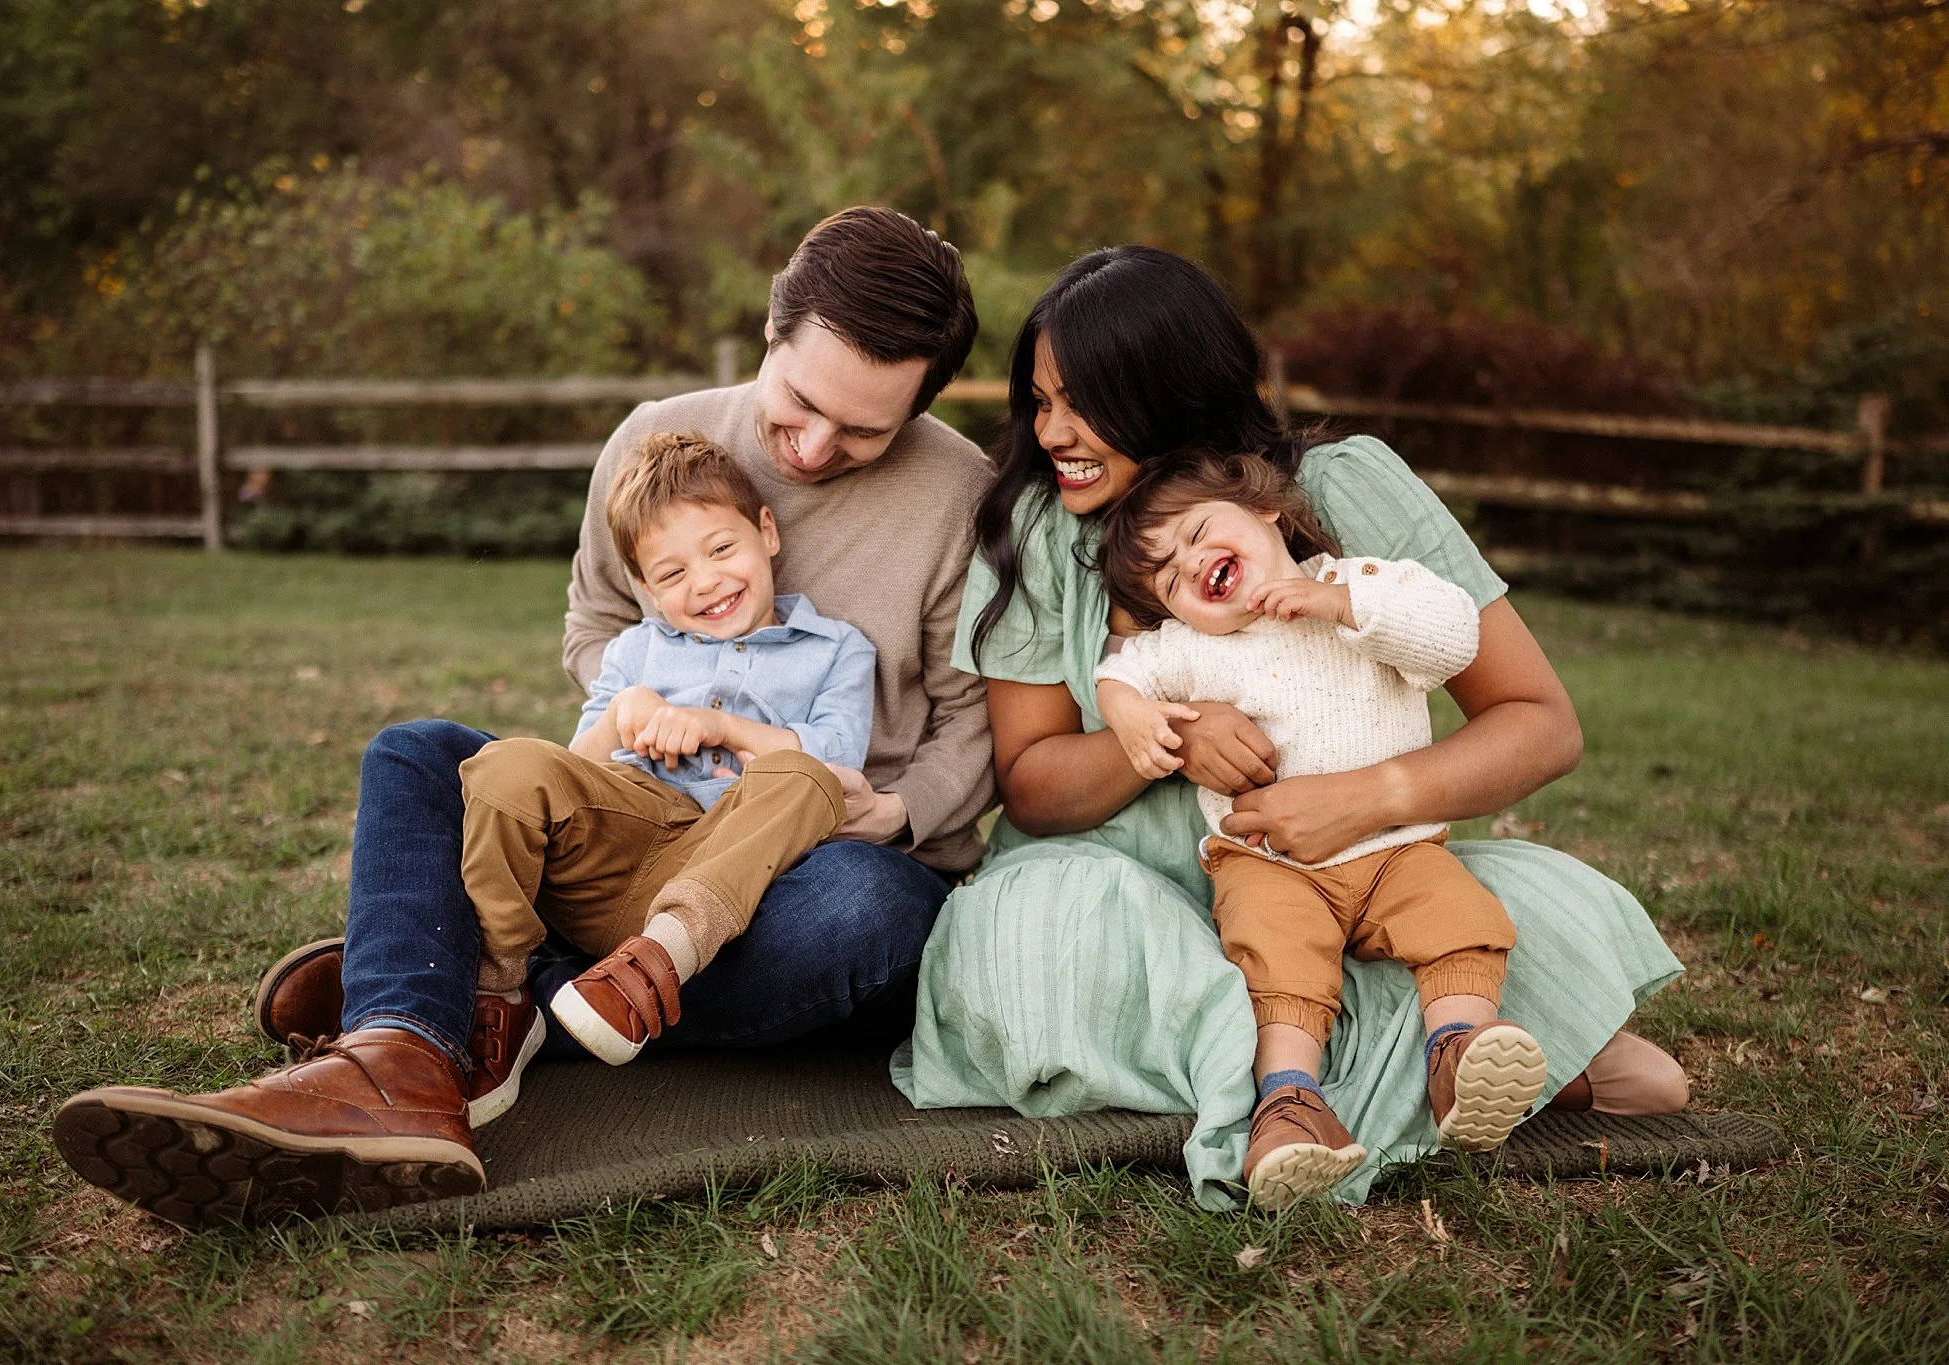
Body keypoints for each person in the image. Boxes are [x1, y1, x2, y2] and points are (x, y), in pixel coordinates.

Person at [52, 206, 995, 1227]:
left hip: (813, 866)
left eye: (863, 432)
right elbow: (596, 623)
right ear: (772, 330)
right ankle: (395, 1059)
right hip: (636, 827)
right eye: (800, 404)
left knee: (869, 915)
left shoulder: (957, 497)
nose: (813, 447)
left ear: (918, 409)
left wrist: (896, 813)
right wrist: (643, 709)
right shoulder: (653, 441)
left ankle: (460, 988)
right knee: (419, 756)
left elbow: (975, 718)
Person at [894, 245, 1689, 1210]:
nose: (1050, 432)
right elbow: (1031, 783)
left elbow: (1540, 722)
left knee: (1503, 910)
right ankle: (1460, 1072)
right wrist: (1173, 739)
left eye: (1079, 403)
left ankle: (1301, 1085)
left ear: (1170, 392)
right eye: (1039, 401)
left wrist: (1367, 798)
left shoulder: (1340, 488)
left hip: (1361, 882)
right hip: (1123, 900)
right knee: (1033, 936)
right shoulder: (1038, 527)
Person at [1092, 449, 1546, 1206]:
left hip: (1397, 848)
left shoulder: (1361, 583)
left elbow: (1452, 636)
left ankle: (1460, 1055)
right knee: (1277, 961)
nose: (1191, 563)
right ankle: (1290, 1105)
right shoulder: (1191, 647)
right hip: (1269, 864)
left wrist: (1337, 604)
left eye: (1199, 533)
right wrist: (1132, 713)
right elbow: (1120, 672)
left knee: (1457, 918)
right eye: (1168, 579)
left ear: (1265, 509)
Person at [461, 431, 875, 1070]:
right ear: (647, 589)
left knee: (804, 777)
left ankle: (653, 967)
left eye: (721, 549)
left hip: (726, 871)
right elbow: (571, 776)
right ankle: (500, 991)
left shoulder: (835, 648)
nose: (706, 582)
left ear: (767, 531)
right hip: (614, 854)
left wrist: (722, 728)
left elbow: (839, 762)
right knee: (506, 765)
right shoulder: (636, 650)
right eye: (673, 573)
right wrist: (625, 712)